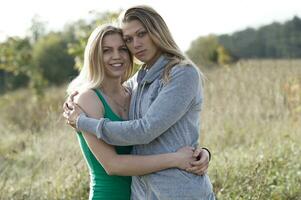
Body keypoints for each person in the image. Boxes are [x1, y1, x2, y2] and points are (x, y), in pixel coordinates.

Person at [64, 24, 210, 200]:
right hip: (110, 195)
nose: (116, 56)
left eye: (123, 49)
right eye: (107, 50)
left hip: (140, 194)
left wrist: (202, 153)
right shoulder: (88, 99)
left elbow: (161, 130)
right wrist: (176, 159)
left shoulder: (134, 91)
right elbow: (113, 165)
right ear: (94, 56)